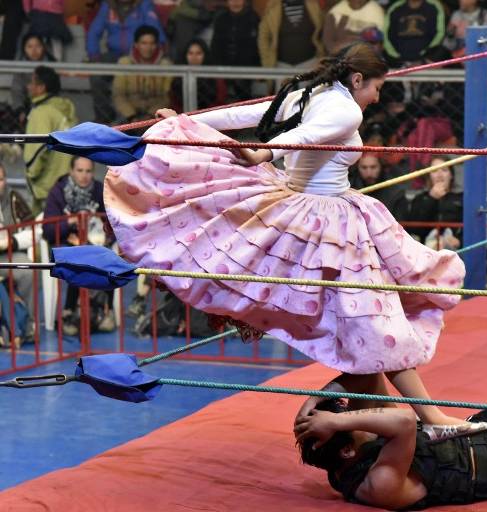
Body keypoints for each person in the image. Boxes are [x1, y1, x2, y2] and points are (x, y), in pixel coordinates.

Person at [107, 42, 467, 426]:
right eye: (376, 88)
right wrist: (257, 151)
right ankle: (427, 418)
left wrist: (188, 122)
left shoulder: (310, 94)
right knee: (374, 317)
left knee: (367, 318)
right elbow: (303, 136)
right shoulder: (345, 110)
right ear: (358, 79)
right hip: (324, 221)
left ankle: (396, 418)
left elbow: (251, 113)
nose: (377, 98)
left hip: (314, 210)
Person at [294, 358, 487, 509]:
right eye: (347, 418)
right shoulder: (374, 485)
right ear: (347, 450)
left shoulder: (354, 445)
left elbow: (371, 371)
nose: (354, 413)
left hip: (486, 427)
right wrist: (336, 423)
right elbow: (403, 422)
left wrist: (319, 397)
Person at [42, 156, 115, 336]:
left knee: (107, 258)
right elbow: (48, 230)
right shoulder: (58, 192)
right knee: (79, 258)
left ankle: (104, 310)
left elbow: (114, 225)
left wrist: (105, 238)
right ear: (71, 171)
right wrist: (70, 222)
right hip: (64, 243)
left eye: (88, 171)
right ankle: (69, 311)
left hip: (95, 242)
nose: (84, 175)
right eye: (80, 170)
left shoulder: (100, 190)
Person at [86, 0, 166, 123]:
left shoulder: (143, 4)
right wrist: (93, 55)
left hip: (137, 56)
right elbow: (94, 32)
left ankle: (146, 116)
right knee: (96, 74)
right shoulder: (108, 5)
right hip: (113, 55)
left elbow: (154, 28)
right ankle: (104, 116)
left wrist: (159, 49)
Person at [23, 65, 77, 215]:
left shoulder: (41, 112)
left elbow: (37, 149)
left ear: (41, 88)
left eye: (32, 82)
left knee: (45, 228)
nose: (28, 86)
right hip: (67, 186)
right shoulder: (66, 111)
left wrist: (31, 175)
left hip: (47, 189)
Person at [0, 161, 37, 348]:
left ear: (5, 180)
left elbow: (34, 231)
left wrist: (11, 242)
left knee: (27, 270)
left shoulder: (14, 198)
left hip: (8, 254)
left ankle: (27, 327)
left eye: (0, 180)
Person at [112, 25, 172, 122]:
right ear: (136, 44)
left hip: (156, 115)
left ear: (157, 45)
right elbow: (119, 95)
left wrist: (150, 116)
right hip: (128, 115)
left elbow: (166, 96)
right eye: (144, 43)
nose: (148, 47)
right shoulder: (124, 63)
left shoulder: (165, 65)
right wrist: (131, 116)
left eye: (152, 43)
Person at [210, 0, 261, 102]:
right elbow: (215, 45)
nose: (235, 2)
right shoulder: (221, 18)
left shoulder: (253, 18)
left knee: (244, 101)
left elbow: (258, 46)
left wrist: (258, 68)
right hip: (224, 68)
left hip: (247, 69)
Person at [408, 156, 463, 250]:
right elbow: (414, 229)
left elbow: (470, 227)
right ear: (429, 175)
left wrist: (459, 241)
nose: (439, 175)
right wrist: (431, 198)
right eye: (434, 171)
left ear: (451, 175)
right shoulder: (420, 199)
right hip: (425, 249)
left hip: (454, 250)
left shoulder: (461, 198)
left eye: (444, 170)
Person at [258, 0, 324, 70]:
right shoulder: (273, 7)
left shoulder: (314, 6)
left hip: (310, 64)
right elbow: (263, 36)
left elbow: (323, 32)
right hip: (281, 66)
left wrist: (320, 59)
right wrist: (267, 60)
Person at [11, 33, 56, 126]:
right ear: (24, 49)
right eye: (30, 46)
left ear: (43, 47)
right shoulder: (20, 68)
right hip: (26, 108)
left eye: (38, 46)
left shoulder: (51, 65)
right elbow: (17, 91)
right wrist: (20, 110)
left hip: (48, 107)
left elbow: (54, 91)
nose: (34, 50)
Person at [383, 0, 445, 67]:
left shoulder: (434, 6)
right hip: (398, 60)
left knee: (442, 50)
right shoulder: (395, 7)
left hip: (426, 59)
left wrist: (423, 58)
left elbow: (439, 34)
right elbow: (386, 37)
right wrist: (399, 59)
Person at [349, 153, 409, 222]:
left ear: (381, 167)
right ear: (357, 168)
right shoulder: (349, 191)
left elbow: (399, 224)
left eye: (373, 167)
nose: (369, 173)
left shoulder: (396, 194)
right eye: (364, 167)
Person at [170, 38, 218, 113]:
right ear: (185, 55)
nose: (194, 57)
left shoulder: (216, 78)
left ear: (205, 55)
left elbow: (219, 103)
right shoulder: (178, 78)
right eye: (190, 53)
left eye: (198, 53)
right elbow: (174, 104)